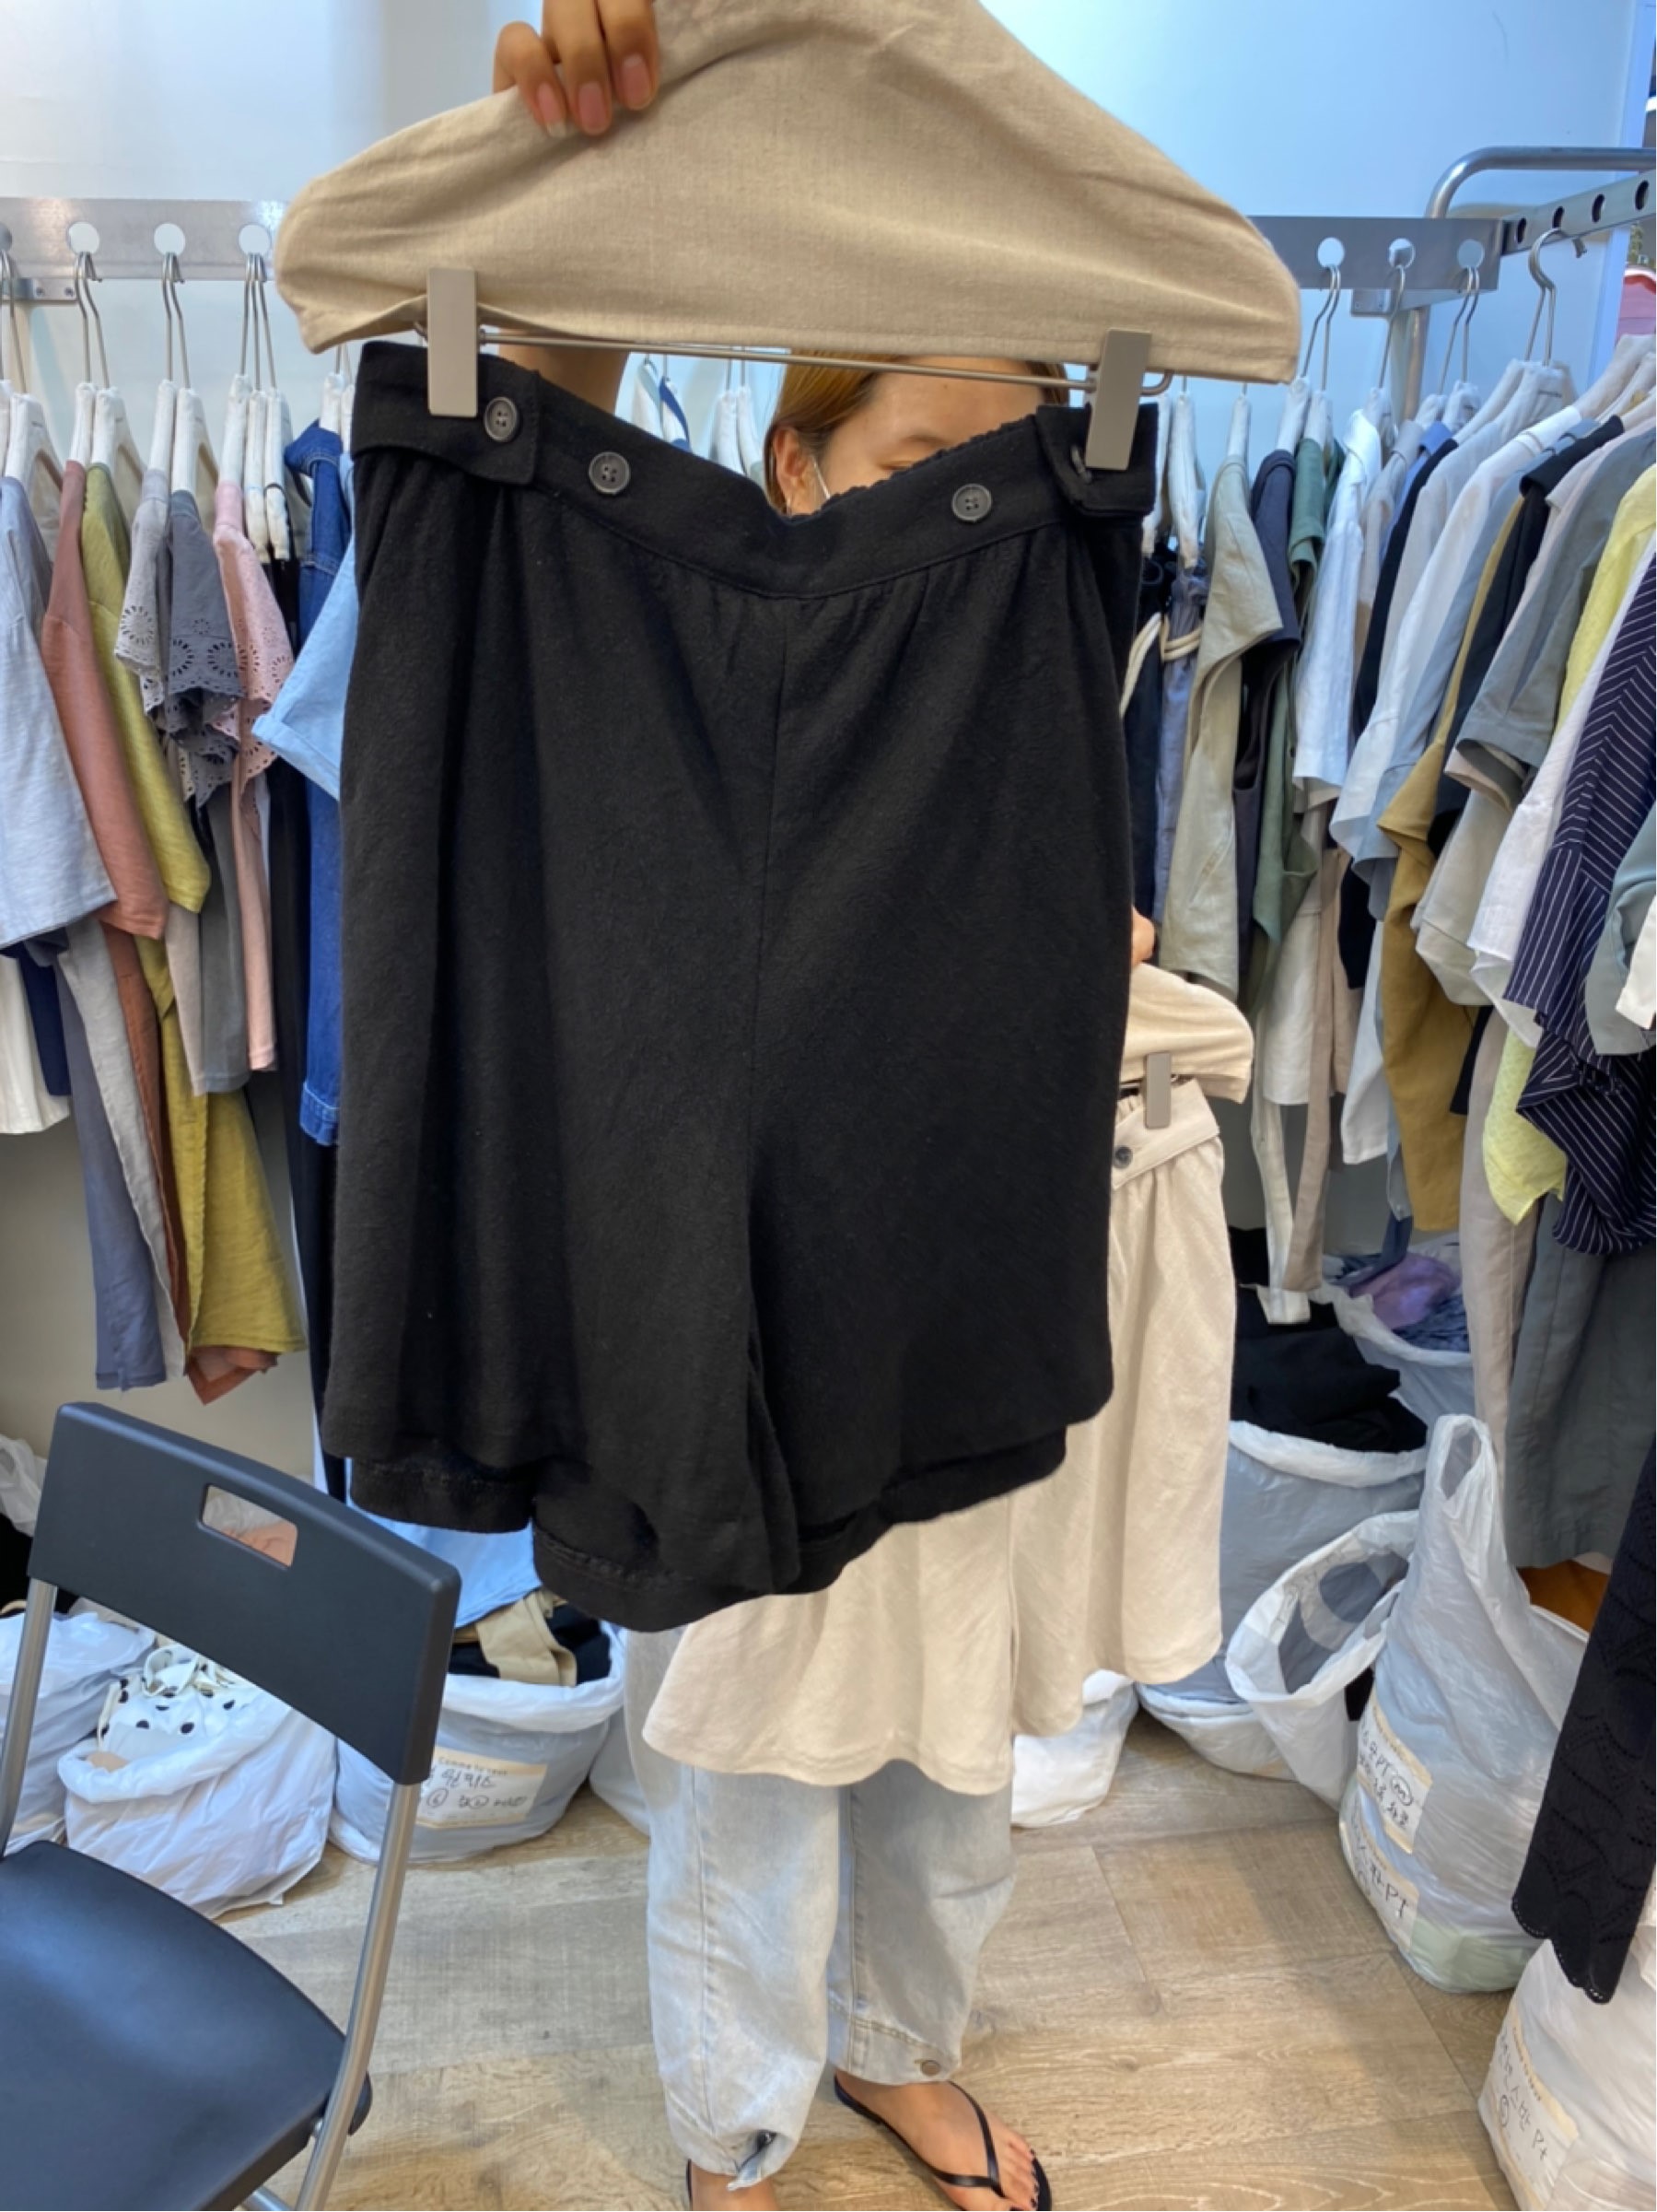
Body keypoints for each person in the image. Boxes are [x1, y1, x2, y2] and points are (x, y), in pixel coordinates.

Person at [488, 12, 1153, 2205]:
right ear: (793, 464)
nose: (965, 525)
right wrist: (587, 162)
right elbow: (525, 503)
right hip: (742, 1300)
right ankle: (738, 2114)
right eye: (920, 465)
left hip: (969, 1267)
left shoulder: (1046, 629)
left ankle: (897, 2049)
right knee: (756, 1746)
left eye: (1004, 477)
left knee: (959, 1732)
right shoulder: (683, 677)